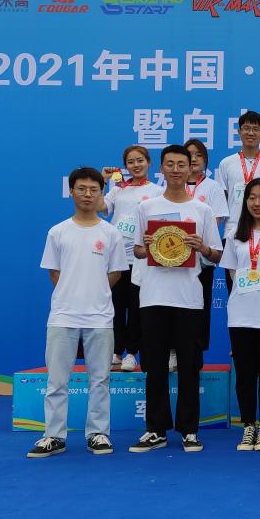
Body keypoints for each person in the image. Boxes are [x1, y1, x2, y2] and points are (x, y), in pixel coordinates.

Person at [129, 144, 222, 453]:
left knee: (189, 366)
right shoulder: (146, 207)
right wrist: (146, 246)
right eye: (170, 164)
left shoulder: (202, 210)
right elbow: (137, 251)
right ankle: (155, 429)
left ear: (191, 167)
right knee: (154, 365)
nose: (176, 170)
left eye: (182, 164)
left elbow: (216, 254)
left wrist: (201, 247)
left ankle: (189, 429)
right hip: (153, 297)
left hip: (189, 298)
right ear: (162, 168)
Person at [29, 167, 127, 458]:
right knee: (57, 381)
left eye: (93, 190)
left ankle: (98, 433)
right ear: (71, 191)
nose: (87, 194)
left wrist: (94, 292)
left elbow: (115, 273)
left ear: (101, 193)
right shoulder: (58, 232)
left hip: (100, 317)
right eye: (81, 189)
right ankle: (53, 435)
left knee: (100, 380)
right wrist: (72, 294)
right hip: (63, 316)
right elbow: (54, 273)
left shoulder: (111, 233)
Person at [219, 177, 260, 452]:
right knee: (245, 375)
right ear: (245, 201)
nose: (257, 203)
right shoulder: (236, 235)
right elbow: (232, 273)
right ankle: (248, 426)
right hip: (241, 314)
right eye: (252, 197)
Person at [99, 146, 162, 372]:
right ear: (125, 166)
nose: (136, 165)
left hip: (141, 258)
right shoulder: (118, 190)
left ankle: (132, 353)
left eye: (140, 160)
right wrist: (103, 181)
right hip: (117, 258)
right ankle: (116, 351)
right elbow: (100, 206)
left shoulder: (157, 191)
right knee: (116, 307)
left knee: (136, 308)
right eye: (131, 162)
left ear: (149, 162)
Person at [183, 138, 229, 362]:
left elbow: (216, 219)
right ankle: (174, 351)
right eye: (189, 154)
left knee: (201, 305)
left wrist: (198, 241)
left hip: (202, 255)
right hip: (174, 258)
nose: (194, 159)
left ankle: (197, 354)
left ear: (205, 160)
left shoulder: (213, 187)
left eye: (199, 155)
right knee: (177, 306)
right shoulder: (171, 185)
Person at [217, 110, 260, 245]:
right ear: (239, 132)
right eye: (246, 128)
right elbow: (222, 200)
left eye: (256, 129)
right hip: (233, 229)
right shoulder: (226, 163)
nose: (251, 133)